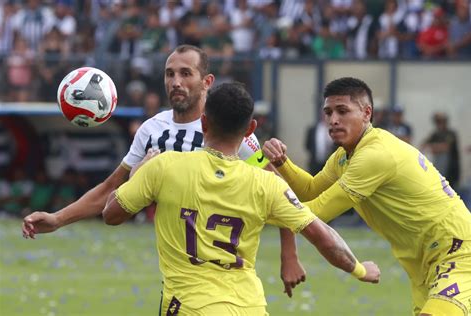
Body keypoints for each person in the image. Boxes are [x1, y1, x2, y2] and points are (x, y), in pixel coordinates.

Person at [21, 44, 302, 296]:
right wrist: (57, 219)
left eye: (185, 73)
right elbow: (110, 189)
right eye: (169, 74)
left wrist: (288, 255)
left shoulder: (229, 129)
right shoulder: (153, 131)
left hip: (228, 271)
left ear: (207, 82)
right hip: (179, 279)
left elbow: (279, 190)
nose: (176, 82)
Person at [102, 82, 381, 315]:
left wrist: (138, 172)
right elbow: (323, 236)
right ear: (251, 129)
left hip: (189, 306)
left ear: (203, 122)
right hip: (249, 307)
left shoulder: (164, 166)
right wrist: (359, 269)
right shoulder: (268, 184)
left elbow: (111, 214)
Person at [262, 77, 471, 315]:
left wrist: (253, 211)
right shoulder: (344, 156)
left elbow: (315, 212)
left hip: (457, 251)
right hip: (424, 263)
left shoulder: (374, 155)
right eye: (328, 112)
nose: (333, 120)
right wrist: (282, 163)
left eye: (342, 111)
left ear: (366, 113)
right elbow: (311, 189)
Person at [422, 112, 460, 190]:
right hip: (440, 169)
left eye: (440, 121)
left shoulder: (450, 133)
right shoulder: (435, 134)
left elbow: (446, 147)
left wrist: (433, 147)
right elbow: (423, 145)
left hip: (451, 169)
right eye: (437, 121)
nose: (439, 124)